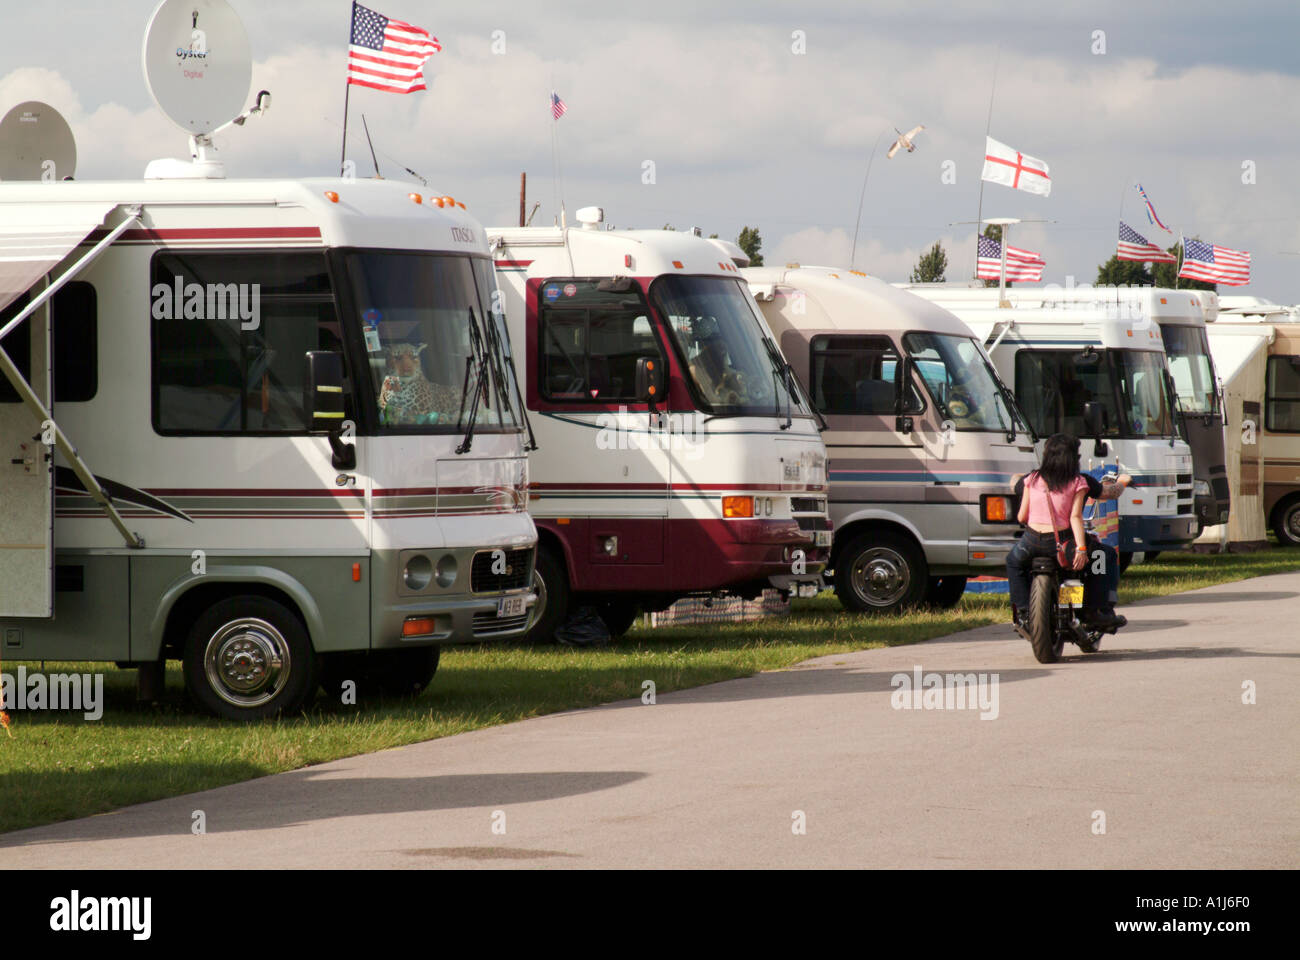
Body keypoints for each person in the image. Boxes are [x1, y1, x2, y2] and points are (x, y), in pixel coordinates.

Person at [1006, 433, 1130, 635]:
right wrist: (1124, 481)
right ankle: (1096, 610)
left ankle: (1023, 612)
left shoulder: (1032, 479)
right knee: (1103, 555)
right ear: (1073, 457)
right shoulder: (1078, 481)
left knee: (1013, 562)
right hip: (1063, 542)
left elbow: (1021, 516)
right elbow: (1076, 516)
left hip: (1030, 541)